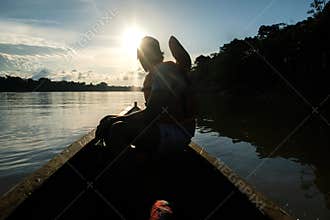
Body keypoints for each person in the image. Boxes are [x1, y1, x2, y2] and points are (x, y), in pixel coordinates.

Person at [95, 36, 195, 155]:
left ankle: (130, 169)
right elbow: (153, 114)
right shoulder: (156, 74)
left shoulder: (163, 72)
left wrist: (118, 118)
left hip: (177, 132)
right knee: (107, 120)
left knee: (118, 129)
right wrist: (113, 118)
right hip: (165, 127)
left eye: (142, 56)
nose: (141, 61)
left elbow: (151, 113)